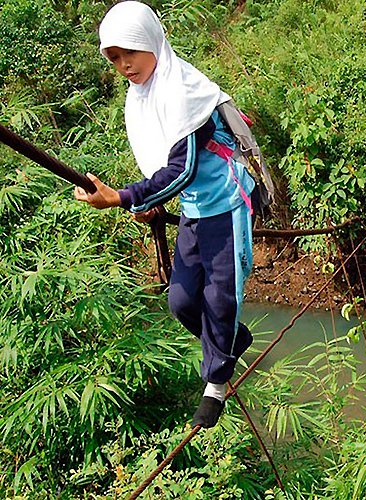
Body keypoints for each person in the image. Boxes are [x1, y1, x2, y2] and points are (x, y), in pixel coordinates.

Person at [74, 1, 256, 428]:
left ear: (152, 43)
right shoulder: (143, 93)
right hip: (195, 205)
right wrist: (147, 199)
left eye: (130, 53)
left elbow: (183, 167)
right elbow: (162, 161)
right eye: (114, 57)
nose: (124, 65)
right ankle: (231, 342)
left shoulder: (181, 90)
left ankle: (217, 383)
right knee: (180, 301)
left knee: (219, 298)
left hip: (225, 203)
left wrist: (123, 197)